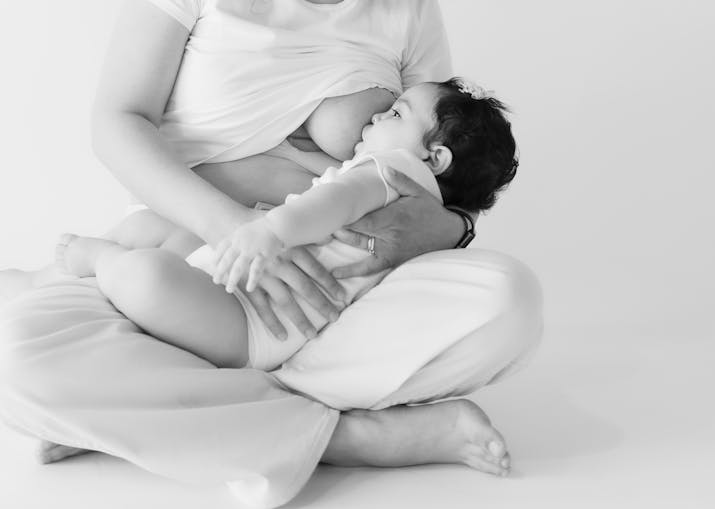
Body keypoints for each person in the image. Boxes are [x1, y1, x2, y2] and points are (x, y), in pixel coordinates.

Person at [0, 0, 543, 509]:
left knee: (511, 299)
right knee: (15, 357)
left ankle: (174, 411)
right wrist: (239, 223)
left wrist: (408, 233)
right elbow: (115, 123)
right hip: (188, 266)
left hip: (327, 301)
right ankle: (355, 436)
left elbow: (440, 184)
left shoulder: (409, 10)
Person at [50, 79, 519, 394]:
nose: (376, 118)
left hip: (248, 318)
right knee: (154, 242)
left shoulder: (394, 170)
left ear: (434, 158)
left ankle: (95, 259)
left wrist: (268, 233)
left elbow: (332, 203)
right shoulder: (423, 205)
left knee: (144, 276)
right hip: (262, 315)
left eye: (396, 114)